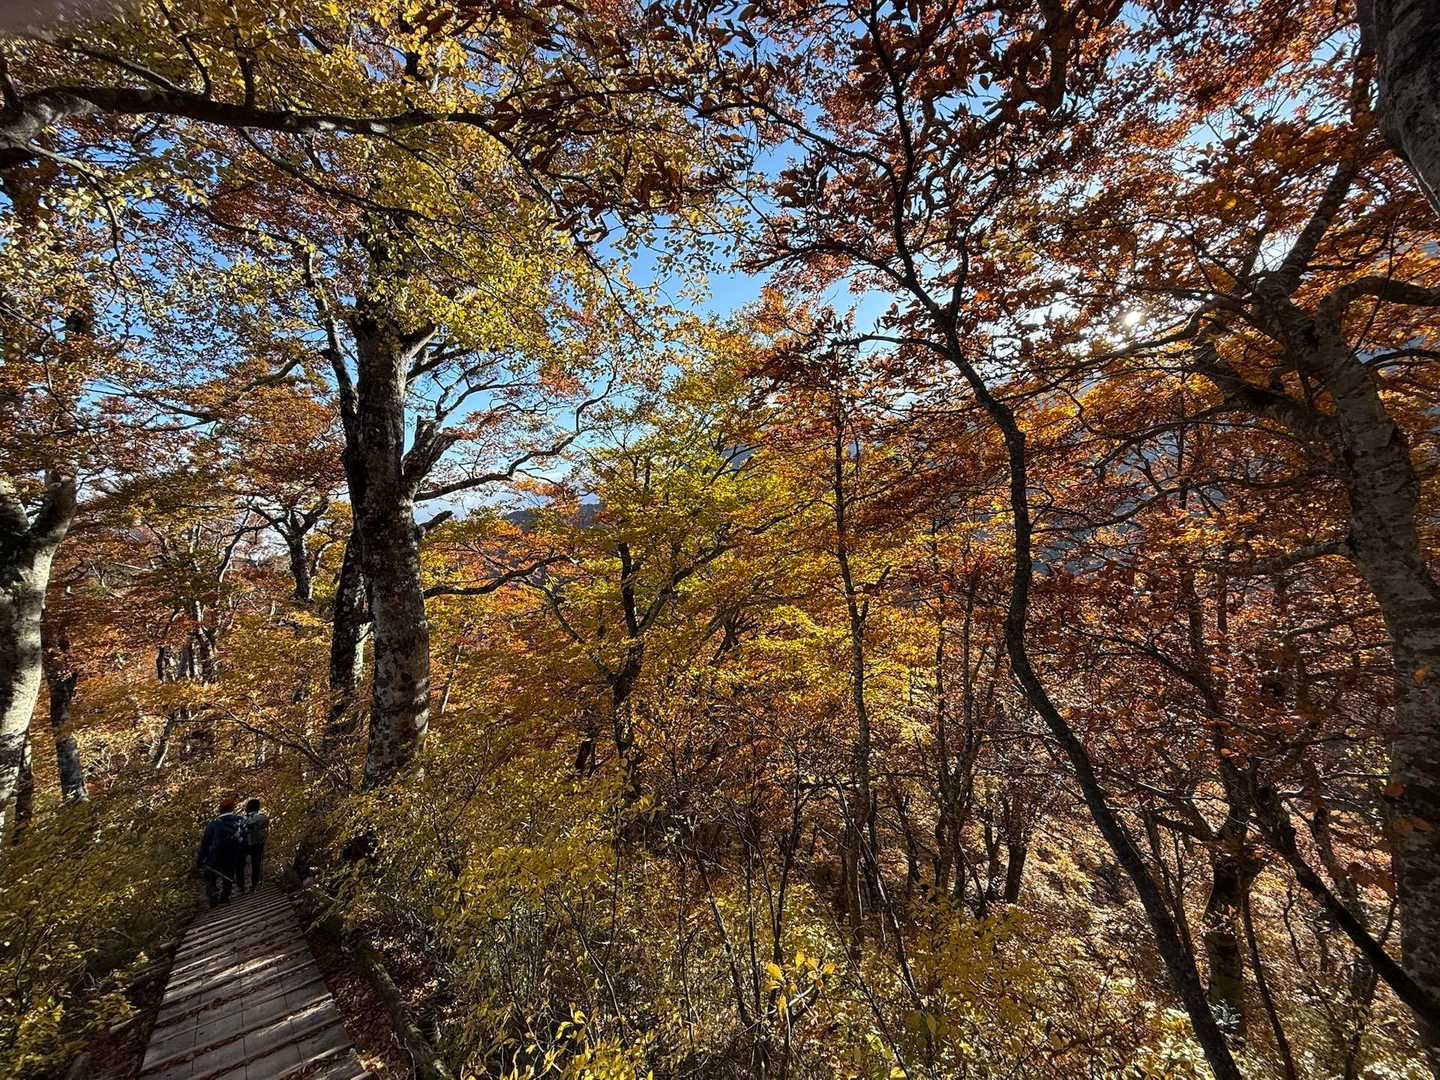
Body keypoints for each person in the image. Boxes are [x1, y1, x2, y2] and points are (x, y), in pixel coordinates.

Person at [196, 797, 246, 907]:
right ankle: (225, 897)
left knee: (210, 877)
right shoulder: (240, 820)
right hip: (233, 854)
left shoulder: (213, 824)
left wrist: (200, 859)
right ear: (232, 808)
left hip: (215, 855)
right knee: (228, 875)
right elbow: (244, 836)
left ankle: (213, 895)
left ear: (220, 810)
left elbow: (205, 843)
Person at [240, 797, 269, 893]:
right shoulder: (262, 817)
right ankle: (254, 884)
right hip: (257, 843)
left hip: (244, 843)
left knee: (241, 864)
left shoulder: (243, 819)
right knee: (256, 863)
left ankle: (242, 885)